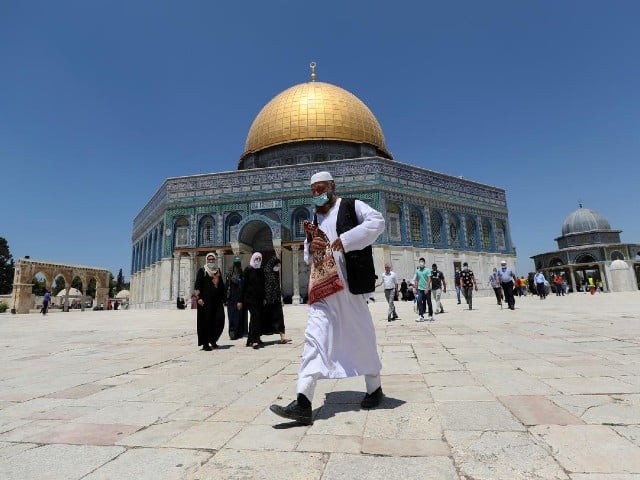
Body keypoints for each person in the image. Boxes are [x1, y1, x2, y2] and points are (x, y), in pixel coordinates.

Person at [270, 171, 385, 426]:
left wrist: (345, 240)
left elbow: (377, 222)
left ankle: (374, 387)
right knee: (314, 338)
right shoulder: (314, 217)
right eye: (313, 191)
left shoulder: (352, 206)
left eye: (320, 189)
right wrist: (312, 246)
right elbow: (307, 253)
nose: (316, 195)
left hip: (349, 285)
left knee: (361, 335)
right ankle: (303, 401)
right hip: (323, 287)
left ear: (332, 186)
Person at [194, 252, 226, 351]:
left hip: (217, 302)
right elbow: (197, 285)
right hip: (205, 302)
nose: (211, 261)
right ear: (206, 260)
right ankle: (205, 343)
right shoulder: (202, 271)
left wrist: (224, 298)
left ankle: (213, 339)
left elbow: (221, 286)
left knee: (219, 320)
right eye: (209, 259)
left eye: (213, 259)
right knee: (206, 322)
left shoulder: (218, 271)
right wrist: (198, 298)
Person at [237, 252, 266, 349]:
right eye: (256, 259)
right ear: (253, 259)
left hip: (259, 299)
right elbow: (243, 286)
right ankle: (254, 340)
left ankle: (251, 339)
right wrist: (240, 300)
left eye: (259, 259)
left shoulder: (261, 270)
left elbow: (263, 286)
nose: (258, 261)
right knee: (255, 317)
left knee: (255, 319)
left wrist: (264, 298)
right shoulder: (248, 270)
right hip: (249, 299)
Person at [262, 256, 291, 344]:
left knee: (279, 318)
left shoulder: (275, 273)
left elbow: (277, 287)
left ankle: (283, 337)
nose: (278, 266)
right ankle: (256, 338)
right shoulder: (265, 272)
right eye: (277, 264)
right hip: (268, 301)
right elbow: (263, 286)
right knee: (264, 319)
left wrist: (280, 298)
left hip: (276, 300)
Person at [225, 257, 247, 340]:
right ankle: (232, 332)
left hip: (241, 298)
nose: (238, 266)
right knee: (233, 315)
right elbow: (226, 286)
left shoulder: (242, 274)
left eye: (239, 263)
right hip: (232, 298)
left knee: (241, 315)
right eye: (236, 264)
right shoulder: (230, 275)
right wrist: (225, 298)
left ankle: (240, 332)